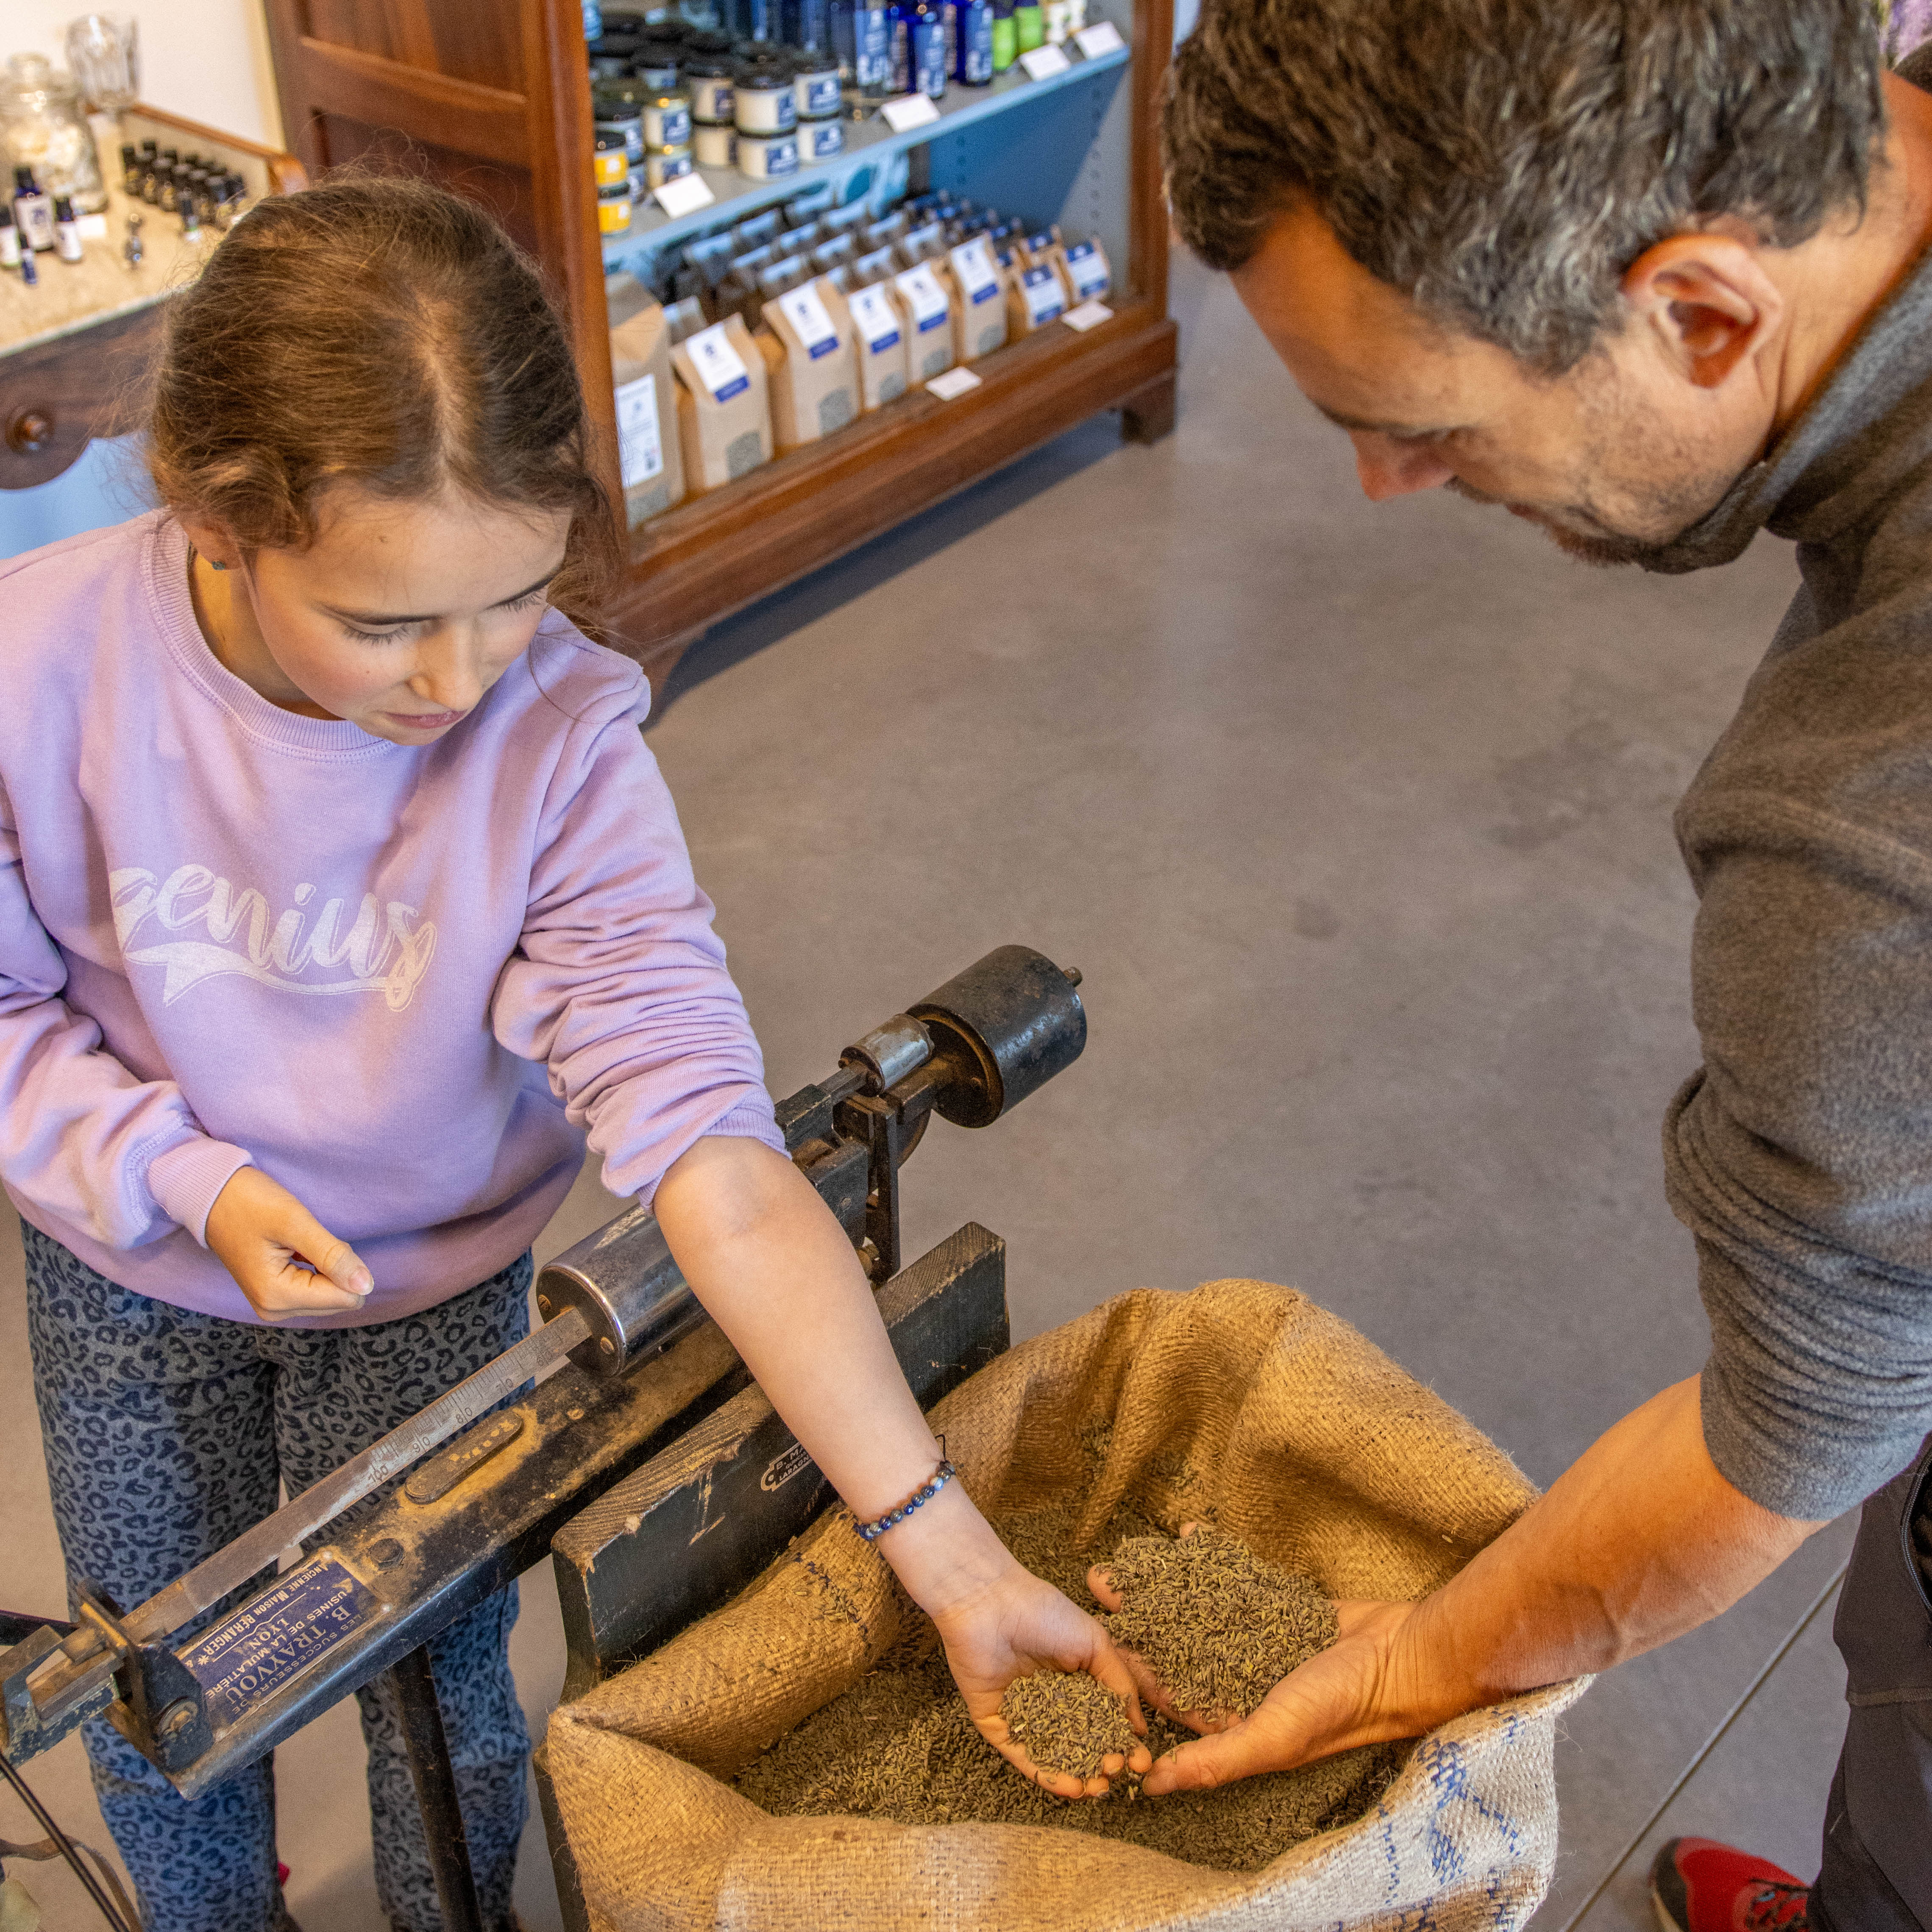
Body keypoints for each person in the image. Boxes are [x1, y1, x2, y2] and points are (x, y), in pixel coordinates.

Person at [0, 174, 1143, 1932]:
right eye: (385, 624)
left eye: (517, 597)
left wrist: (953, 1558)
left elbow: (717, 1166)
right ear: (217, 520)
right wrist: (179, 1181)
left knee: (439, 1675)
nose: (458, 683)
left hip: (425, 1269)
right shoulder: (38, 670)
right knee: (159, 1676)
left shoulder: (562, 748)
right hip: (121, 1268)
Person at [1097, 3, 1932, 1928]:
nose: (1390, 488)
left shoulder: (1865, 851)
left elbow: (1784, 1441)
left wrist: (1412, 1658)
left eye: (1429, 425)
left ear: (1705, 315)